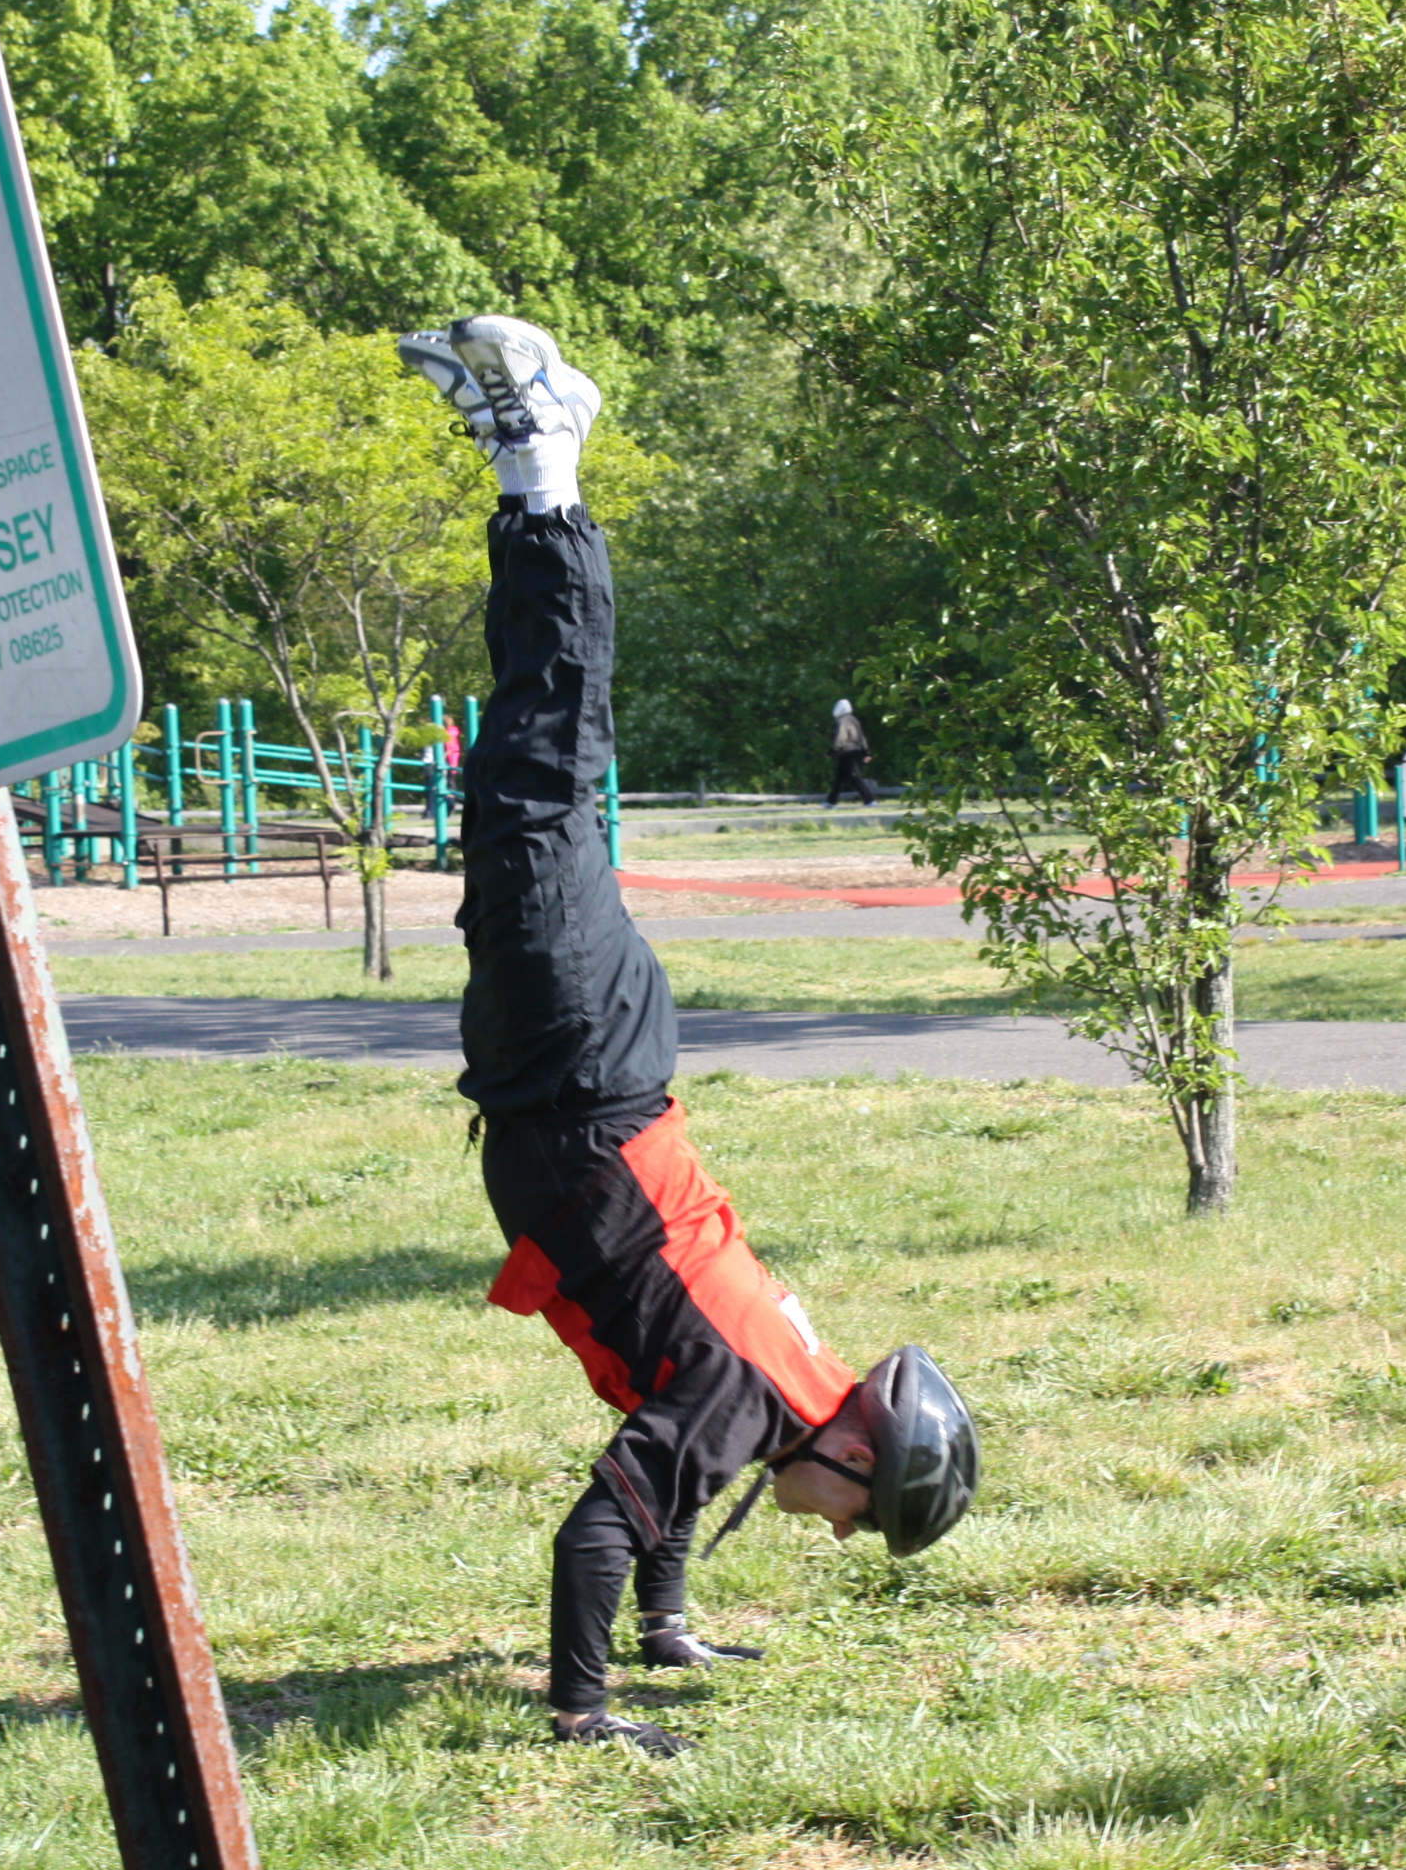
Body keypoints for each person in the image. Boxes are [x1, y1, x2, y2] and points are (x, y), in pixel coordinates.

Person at [399, 315, 981, 1758]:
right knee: (538, 772)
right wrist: (587, 1710)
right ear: (853, 1452)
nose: (844, 1536)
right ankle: (543, 468)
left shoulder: (781, 1400)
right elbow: (601, 1528)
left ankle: (537, 475)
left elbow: (684, 1477)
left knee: (537, 784)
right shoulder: (752, 1401)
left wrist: (672, 1625)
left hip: (591, 1078)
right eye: (867, 1517)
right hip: (578, 1078)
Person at [826, 699, 874, 808]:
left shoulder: (841, 721)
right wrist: (866, 752)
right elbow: (862, 737)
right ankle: (831, 801)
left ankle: (869, 799)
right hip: (855, 750)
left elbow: (841, 738)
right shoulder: (854, 720)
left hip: (846, 751)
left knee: (855, 776)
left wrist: (832, 750)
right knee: (840, 777)